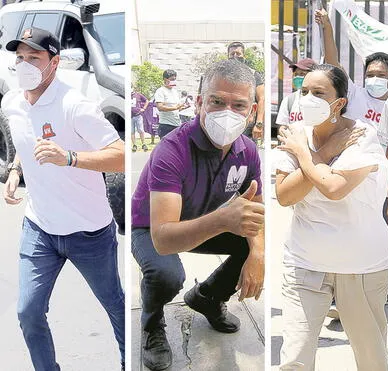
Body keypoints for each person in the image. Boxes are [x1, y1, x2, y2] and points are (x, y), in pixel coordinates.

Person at [1, 27, 125, 371]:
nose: (24, 64)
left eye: (34, 57)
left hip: (89, 232)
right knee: (27, 311)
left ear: (53, 62)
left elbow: (122, 155)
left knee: (114, 304)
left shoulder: (75, 105)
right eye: (20, 57)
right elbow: (28, 139)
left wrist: (70, 157)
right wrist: (15, 168)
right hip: (39, 228)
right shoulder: (12, 101)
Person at [131, 60, 265, 370]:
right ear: (200, 102)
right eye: (217, 101)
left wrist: (257, 253)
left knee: (253, 243)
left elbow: (257, 212)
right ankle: (152, 325)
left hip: (202, 223)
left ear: (251, 110)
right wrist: (222, 219)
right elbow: (164, 239)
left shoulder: (247, 151)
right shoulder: (171, 150)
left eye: (238, 104)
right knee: (167, 275)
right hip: (152, 228)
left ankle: (207, 297)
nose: (227, 112)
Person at [275, 64, 388, 371]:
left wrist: (304, 155)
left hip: (361, 267)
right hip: (304, 262)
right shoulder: (296, 136)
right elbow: (285, 195)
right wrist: (321, 153)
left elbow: (334, 187)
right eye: (304, 92)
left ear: (338, 103)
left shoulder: (361, 134)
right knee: (293, 359)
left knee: (372, 359)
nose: (307, 99)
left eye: (318, 93)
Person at [315, 8, 388, 157]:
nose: (374, 78)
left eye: (381, 75)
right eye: (370, 74)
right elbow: (333, 62)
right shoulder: (355, 94)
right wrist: (327, 26)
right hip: (348, 160)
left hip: (378, 166)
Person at [228, 41, 265, 142]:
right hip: (227, 125)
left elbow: (262, 99)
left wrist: (259, 124)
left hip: (247, 126)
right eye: (232, 54)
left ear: (244, 56)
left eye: (238, 53)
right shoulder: (222, 75)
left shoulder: (253, 74)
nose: (235, 56)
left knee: (248, 155)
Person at [275, 58, 317, 127]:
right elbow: (282, 127)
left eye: (302, 74)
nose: (297, 77)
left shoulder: (320, 99)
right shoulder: (289, 100)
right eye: (296, 74)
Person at [154, 69, 184, 139]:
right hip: (166, 125)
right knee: (166, 148)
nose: (174, 81)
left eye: (175, 79)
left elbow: (176, 108)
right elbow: (160, 107)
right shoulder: (160, 91)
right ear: (165, 79)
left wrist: (181, 108)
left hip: (176, 124)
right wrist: (175, 108)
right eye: (172, 79)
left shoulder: (175, 91)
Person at [132, 86, 149, 152]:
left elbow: (146, 100)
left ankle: (143, 144)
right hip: (130, 117)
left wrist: (144, 108)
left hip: (138, 115)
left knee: (141, 130)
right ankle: (134, 145)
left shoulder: (138, 94)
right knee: (131, 131)